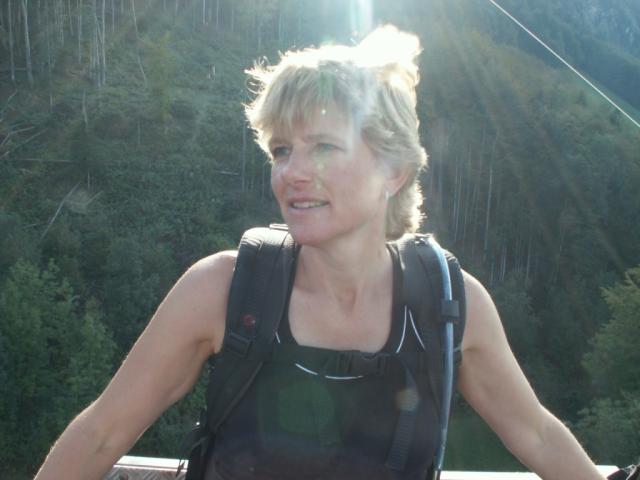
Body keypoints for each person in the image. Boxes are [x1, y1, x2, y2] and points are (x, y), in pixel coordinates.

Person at [35, 25, 605, 480]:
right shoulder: (224, 290)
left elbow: (536, 435)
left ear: (393, 170)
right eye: (282, 149)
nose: (292, 172)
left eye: (324, 147)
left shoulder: (450, 305)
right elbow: (102, 434)